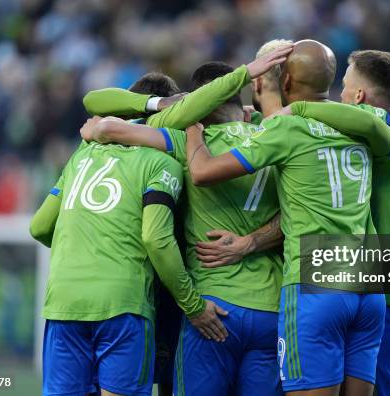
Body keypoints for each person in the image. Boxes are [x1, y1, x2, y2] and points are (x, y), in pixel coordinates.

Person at [183, 40, 390, 396]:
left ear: (285, 83)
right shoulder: (363, 120)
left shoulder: (287, 129)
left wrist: (191, 125)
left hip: (316, 280)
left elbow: (202, 171)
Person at [80, 47, 292, 396]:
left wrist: (101, 129)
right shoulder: (281, 139)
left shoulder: (188, 141)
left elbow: (111, 127)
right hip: (271, 308)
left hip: (214, 307)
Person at [30, 137, 226, 396]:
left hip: (63, 302)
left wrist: (84, 247)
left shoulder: (82, 156)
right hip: (123, 302)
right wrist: (193, 305)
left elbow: (39, 227)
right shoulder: (161, 162)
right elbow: (156, 239)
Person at [286, 50, 390, 396]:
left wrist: (298, 107)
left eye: (344, 87)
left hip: (389, 303)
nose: (337, 95)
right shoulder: (357, 140)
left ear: (359, 97)